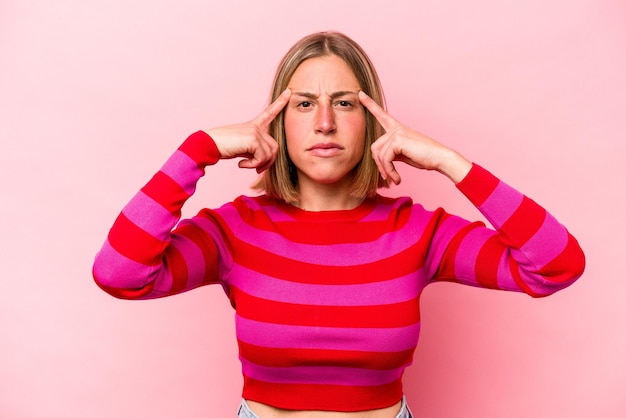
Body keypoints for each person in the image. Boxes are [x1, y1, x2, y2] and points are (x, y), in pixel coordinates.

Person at [92, 32, 585, 418]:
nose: (324, 122)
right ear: (278, 123)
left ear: (371, 121)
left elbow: (556, 266)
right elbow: (120, 274)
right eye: (304, 104)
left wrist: (448, 161)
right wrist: (196, 150)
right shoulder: (234, 231)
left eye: (345, 103)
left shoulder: (420, 231)